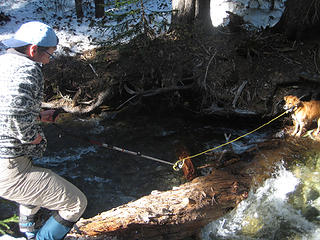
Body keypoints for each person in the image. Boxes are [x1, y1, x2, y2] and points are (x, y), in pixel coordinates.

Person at [0, 21, 87, 240]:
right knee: (76, 203)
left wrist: (38, 116)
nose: (50, 59)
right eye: (50, 54)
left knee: (33, 192)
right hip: (9, 168)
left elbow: (7, 108)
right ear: (32, 50)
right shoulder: (28, 69)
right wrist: (34, 137)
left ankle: (29, 233)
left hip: (7, 163)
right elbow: (13, 113)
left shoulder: (4, 63)